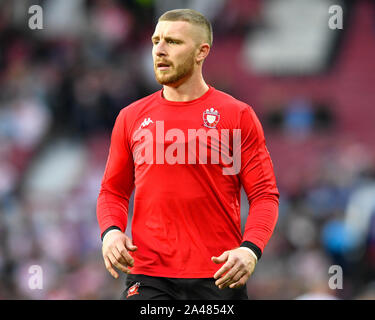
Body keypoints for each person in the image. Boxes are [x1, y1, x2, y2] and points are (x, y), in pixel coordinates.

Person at [96, 8, 279, 300]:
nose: (160, 50)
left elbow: (264, 195)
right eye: (156, 41)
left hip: (219, 275)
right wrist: (111, 232)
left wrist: (250, 249)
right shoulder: (130, 118)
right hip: (149, 274)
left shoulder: (237, 116)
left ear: (201, 52)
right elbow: (112, 191)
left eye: (173, 42)